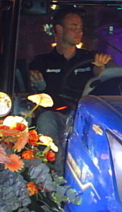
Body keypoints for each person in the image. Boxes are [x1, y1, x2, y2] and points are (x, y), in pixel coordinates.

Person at [28, 9, 112, 143]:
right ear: (59, 29)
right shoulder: (41, 62)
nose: (79, 31)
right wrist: (35, 82)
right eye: (73, 26)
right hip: (57, 115)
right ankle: (50, 160)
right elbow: (31, 86)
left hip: (86, 117)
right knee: (46, 118)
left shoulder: (89, 57)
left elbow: (99, 74)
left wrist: (100, 68)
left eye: (80, 27)